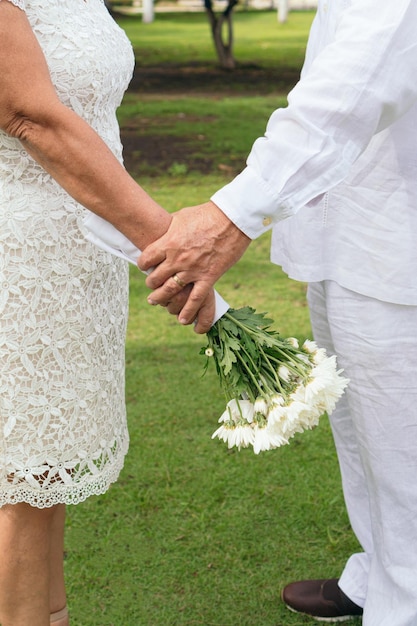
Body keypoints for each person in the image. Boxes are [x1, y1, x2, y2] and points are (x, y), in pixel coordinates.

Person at [138, 1, 417, 624]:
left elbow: (351, 90)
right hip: (354, 228)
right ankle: (382, 574)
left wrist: (233, 214)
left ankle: (406, 604)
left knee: (403, 447)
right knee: (366, 435)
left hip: (397, 241)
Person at [0, 1, 216, 625]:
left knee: (47, 473)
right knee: (19, 476)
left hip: (78, 253)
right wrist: (171, 246)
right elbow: (28, 113)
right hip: (18, 258)